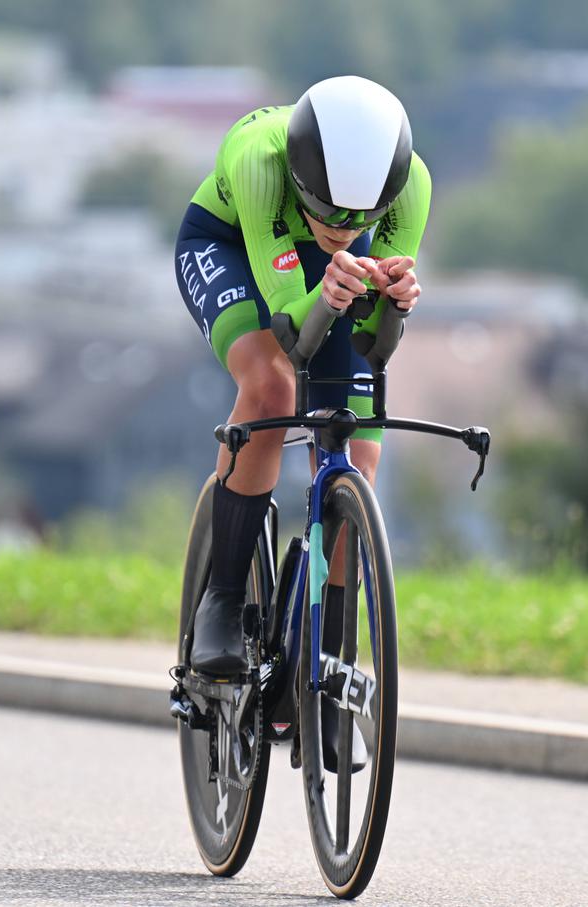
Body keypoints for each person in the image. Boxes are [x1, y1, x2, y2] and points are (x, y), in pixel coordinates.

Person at [174, 75, 430, 764]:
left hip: (326, 279)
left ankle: (327, 663)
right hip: (233, 248)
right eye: (326, 211)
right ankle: (222, 600)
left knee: (357, 461)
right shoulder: (260, 160)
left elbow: (373, 346)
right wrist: (337, 280)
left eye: (359, 219)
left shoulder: (413, 187)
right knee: (271, 388)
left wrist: (396, 305)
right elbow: (293, 328)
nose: (342, 228)